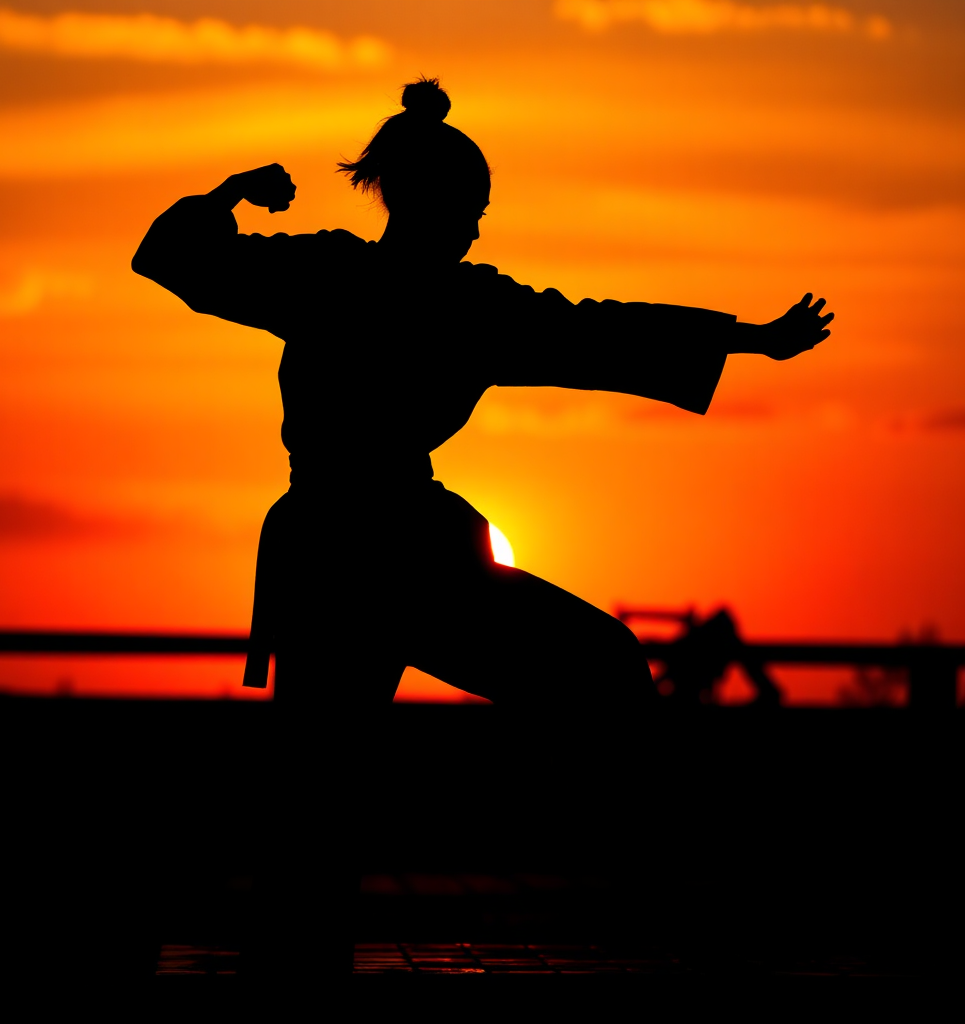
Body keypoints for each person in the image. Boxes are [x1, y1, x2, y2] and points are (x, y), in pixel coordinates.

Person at [132, 77, 831, 982]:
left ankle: (648, 885)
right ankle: (662, 886)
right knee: (327, 787)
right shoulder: (403, 291)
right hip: (372, 554)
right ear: (439, 204)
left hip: (361, 550)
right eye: (473, 212)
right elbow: (594, 332)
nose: (475, 230)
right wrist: (750, 338)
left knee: (331, 782)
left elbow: (596, 330)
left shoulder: (355, 282)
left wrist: (748, 338)